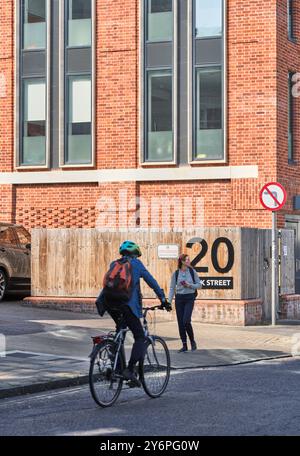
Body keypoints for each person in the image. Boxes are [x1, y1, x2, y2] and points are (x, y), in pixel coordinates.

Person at [96, 241, 171, 387]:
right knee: (140, 337)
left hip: (109, 304)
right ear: (135, 254)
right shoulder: (137, 264)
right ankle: (129, 370)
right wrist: (163, 299)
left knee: (120, 334)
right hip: (127, 306)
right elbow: (152, 282)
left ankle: (116, 369)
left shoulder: (114, 264)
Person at [168, 254, 202, 353]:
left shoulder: (192, 272)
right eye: (187, 260)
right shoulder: (176, 274)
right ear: (182, 261)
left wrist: (189, 285)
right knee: (180, 323)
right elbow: (171, 288)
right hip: (179, 299)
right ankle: (184, 345)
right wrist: (169, 302)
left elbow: (199, 285)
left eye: (188, 259)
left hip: (189, 298)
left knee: (186, 320)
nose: (188, 261)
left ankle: (192, 341)